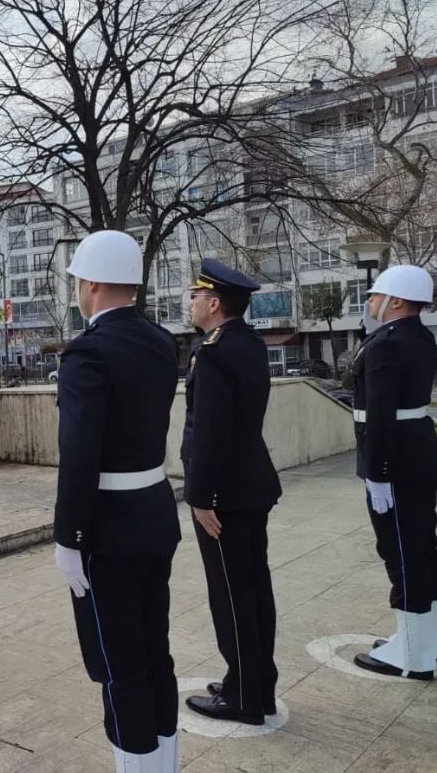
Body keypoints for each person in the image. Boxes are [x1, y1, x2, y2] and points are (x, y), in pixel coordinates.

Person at [54, 230, 181, 773]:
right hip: (154, 512)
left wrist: (68, 536)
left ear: (95, 283)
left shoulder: (87, 351)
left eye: (80, 281)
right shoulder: (160, 341)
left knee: (119, 664)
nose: (78, 291)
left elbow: (79, 454)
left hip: (108, 530)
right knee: (156, 652)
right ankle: (165, 763)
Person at [180, 260, 282, 726]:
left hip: (225, 494)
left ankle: (243, 696)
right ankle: (257, 684)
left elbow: (209, 432)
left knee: (233, 595)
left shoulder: (215, 351)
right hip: (250, 485)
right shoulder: (248, 342)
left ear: (215, 303)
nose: (192, 303)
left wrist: (200, 496)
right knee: (255, 590)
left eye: (197, 296)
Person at [350, 265, 437, 681]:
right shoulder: (421, 337)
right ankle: (420, 637)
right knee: (418, 547)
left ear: (396, 301)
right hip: (416, 451)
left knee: (401, 551)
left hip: (395, 460)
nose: (369, 302)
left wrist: (377, 471)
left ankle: (416, 656)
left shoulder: (387, 344)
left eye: (374, 295)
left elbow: (381, 414)